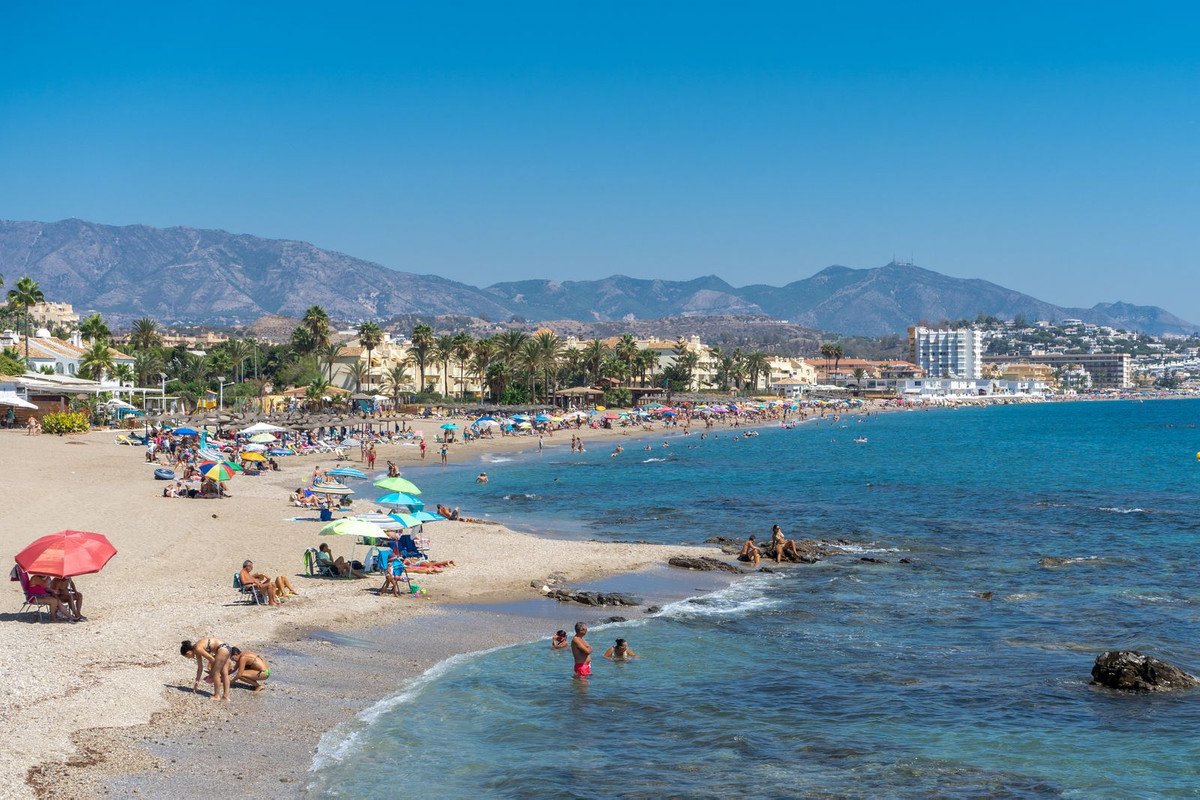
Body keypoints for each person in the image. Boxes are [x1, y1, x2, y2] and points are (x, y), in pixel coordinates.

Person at [181, 637, 232, 702]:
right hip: (227, 648)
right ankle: (225, 696)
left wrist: (211, 673)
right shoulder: (196, 649)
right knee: (224, 673)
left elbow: (212, 660)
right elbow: (200, 668)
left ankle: (217, 696)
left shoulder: (198, 648)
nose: (188, 658)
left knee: (216, 673)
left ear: (188, 652)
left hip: (221, 649)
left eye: (187, 656)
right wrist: (197, 682)